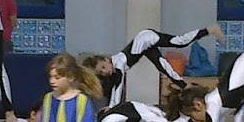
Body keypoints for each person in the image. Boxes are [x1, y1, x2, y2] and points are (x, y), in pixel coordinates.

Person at [86, 25, 220, 109]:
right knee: (163, 67)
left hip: (147, 38)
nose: (105, 71)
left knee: (180, 42)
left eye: (103, 67)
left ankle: (209, 30)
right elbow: (114, 87)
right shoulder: (115, 67)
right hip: (145, 46)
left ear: (106, 59)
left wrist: (112, 107)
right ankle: (185, 85)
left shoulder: (119, 63)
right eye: (101, 72)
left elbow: (118, 86)